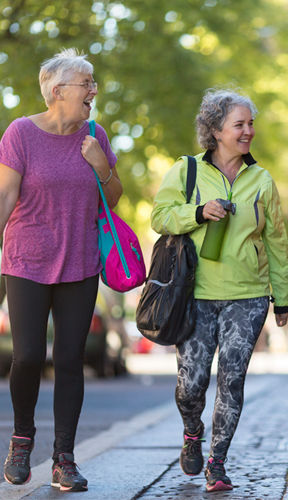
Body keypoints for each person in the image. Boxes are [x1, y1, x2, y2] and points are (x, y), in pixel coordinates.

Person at [151, 89, 288, 492]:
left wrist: (282, 296)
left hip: (248, 296)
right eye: (239, 124)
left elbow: (278, 242)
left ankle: (217, 462)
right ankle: (192, 430)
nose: (248, 131)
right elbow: (159, 217)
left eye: (251, 124)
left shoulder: (261, 179)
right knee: (191, 383)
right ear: (215, 130)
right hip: (195, 294)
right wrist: (197, 212)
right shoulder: (187, 171)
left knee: (232, 380)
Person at [0, 48, 122, 491]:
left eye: (93, 83)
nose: (93, 90)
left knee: (70, 360)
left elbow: (112, 198)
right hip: (26, 260)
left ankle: (64, 459)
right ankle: (21, 440)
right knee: (29, 355)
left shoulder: (95, 134)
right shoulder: (20, 134)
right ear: (57, 91)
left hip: (79, 261)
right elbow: (6, 196)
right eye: (86, 83)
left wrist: (101, 165)